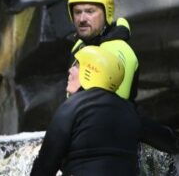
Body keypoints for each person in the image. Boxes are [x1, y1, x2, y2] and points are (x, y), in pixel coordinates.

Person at [66, 0, 179, 153]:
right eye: (77, 12)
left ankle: (177, 142)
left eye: (90, 11)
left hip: (114, 132)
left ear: (106, 13)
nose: (82, 19)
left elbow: (114, 107)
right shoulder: (79, 47)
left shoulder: (118, 49)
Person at [31, 45, 141, 175]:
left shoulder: (73, 105)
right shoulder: (130, 111)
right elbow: (161, 137)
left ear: (92, 72)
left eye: (77, 65)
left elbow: (46, 163)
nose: (70, 70)